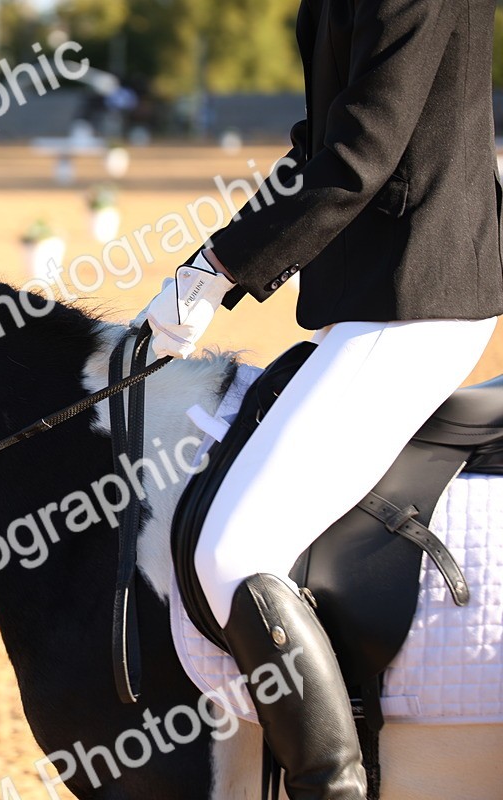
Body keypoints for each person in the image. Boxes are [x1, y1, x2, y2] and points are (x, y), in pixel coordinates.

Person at [141, 1, 503, 798]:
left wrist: (218, 269)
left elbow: (357, 156)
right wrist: (207, 262)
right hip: (369, 299)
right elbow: (316, 147)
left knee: (231, 556)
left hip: (419, 298)